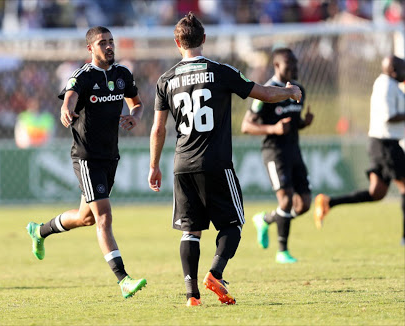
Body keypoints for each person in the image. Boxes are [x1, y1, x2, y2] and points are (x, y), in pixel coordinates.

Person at [148, 13, 302, 306]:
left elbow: (158, 128)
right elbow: (264, 93)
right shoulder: (220, 71)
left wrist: (154, 165)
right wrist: (289, 92)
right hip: (216, 162)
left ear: (177, 42)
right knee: (233, 224)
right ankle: (215, 273)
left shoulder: (165, 80)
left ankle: (192, 295)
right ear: (204, 39)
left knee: (190, 230)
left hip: (182, 165)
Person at [26, 26, 147, 299]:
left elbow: (137, 103)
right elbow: (70, 96)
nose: (109, 46)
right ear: (90, 48)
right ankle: (123, 280)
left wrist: (135, 116)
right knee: (104, 216)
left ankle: (39, 231)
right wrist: (66, 108)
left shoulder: (122, 74)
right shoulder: (82, 76)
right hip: (86, 157)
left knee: (86, 217)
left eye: (111, 41)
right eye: (102, 43)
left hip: (110, 156)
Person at [315, 55, 405, 245]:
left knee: (376, 193)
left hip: (380, 144)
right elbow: (389, 116)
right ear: (394, 71)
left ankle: (328, 202)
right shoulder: (386, 86)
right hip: (386, 144)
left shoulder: (388, 84)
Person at [241, 48, 314, 264]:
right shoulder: (265, 92)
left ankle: (265, 219)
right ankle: (282, 251)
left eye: (295, 65)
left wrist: (304, 123)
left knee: (304, 204)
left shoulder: (299, 89)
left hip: (294, 151)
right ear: (276, 66)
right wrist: (273, 129)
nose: (294, 69)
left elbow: (292, 123)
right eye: (289, 65)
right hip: (274, 152)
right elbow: (246, 126)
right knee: (286, 199)